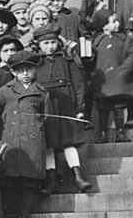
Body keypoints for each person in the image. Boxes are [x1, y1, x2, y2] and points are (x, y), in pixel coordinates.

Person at [0, 50, 49, 218]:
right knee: (9, 180)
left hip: (32, 144)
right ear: (13, 72)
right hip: (11, 142)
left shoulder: (41, 93)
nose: (25, 74)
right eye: (20, 70)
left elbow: (46, 118)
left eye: (29, 70)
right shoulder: (4, 91)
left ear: (35, 71)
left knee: (28, 183)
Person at [33, 23, 94, 193]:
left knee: (69, 142)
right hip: (46, 108)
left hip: (66, 106)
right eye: (45, 43)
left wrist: (80, 108)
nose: (50, 46)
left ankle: (78, 176)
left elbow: (79, 84)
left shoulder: (67, 60)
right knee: (49, 144)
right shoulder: (36, 63)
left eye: (53, 42)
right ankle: (51, 179)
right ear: (39, 45)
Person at [90, 10, 133, 144]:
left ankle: (120, 132)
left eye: (117, 20)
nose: (117, 23)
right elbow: (91, 60)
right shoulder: (97, 42)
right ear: (104, 26)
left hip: (119, 80)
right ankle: (102, 133)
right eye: (113, 21)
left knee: (119, 107)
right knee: (103, 109)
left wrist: (124, 70)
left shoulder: (124, 39)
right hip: (103, 83)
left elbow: (132, 55)